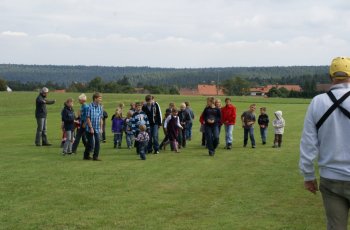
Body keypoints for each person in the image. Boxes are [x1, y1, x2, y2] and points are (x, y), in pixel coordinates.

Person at [300, 57, 350, 230]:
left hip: (331, 178)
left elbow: (308, 143)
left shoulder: (318, 101)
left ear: (331, 76)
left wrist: (308, 175)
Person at [83, 92, 103, 161]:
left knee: (97, 142)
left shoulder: (100, 107)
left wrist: (101, 128)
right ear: (95, 98)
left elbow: (101, 118)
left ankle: (95, 156)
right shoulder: (89, 107)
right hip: (90, 128)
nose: (101, 99)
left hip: (97, 128)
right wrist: (91, 128)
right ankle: (86, 155)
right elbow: (88, 118)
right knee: (90, 143)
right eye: (99, 98)